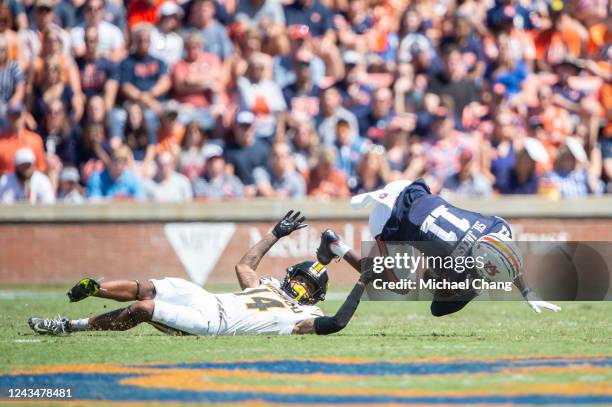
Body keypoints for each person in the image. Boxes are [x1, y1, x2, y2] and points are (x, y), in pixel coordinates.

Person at [28, 211, 371, 336]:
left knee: (145, 309)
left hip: (213, 325)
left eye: (307, 283)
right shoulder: (268, 286)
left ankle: (69, 326)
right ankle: (97, 288)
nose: (300, 284)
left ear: (315, 295)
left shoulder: (307, 315)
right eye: (300, 277)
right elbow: (244, 266)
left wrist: (361, 282)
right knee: (148, 287)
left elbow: (337, 323)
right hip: (206, 299)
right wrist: (276, 233)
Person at [316, 179, 561, 317]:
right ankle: (335, 244)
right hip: (390, 218)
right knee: (398, 286)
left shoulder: (498, 228)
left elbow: (507, 257)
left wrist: (526, 291)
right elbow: (436, 307)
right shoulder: (459, 262)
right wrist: (464, 286)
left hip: (409, 187)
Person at [0, 102, 47, 175]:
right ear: (7, 116)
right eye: (12, 115)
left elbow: (40, 168)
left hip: (29, 181)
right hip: (5, 183)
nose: (16, 119)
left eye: (18, 115)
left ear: (24, 116)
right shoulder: (1, 140)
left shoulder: (35, 140)